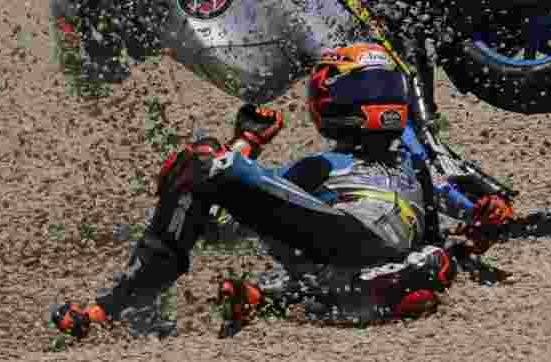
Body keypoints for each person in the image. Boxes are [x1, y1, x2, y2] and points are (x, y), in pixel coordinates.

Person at [51, 42, 514, 340]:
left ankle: (280, 296)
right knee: (203, 162)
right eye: (372, 89)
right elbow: (222, 228)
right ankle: (118, 303)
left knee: (203, 161)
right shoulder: (319, 168)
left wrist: (479, 229)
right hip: (342, 236)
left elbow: (454, 227)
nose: (380, 98)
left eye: (383, 88)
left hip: (372, 257)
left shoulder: (413, 165)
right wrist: (242, 149)